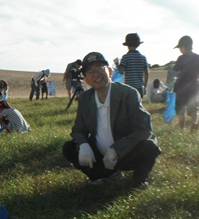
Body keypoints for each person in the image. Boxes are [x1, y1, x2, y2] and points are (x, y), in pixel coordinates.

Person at [62, 52, 161, 189]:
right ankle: (105, 175)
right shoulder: (85, 99)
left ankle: (139, 180)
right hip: (100, 156)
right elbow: (79, 129)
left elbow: (144, 129)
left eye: (99, 69)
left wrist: (116, 149)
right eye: (90, 72)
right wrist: (84, 144)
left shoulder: (128, 94)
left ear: (109, 71)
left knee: (150, 146)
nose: (96, 74)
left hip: (126, 154)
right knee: (69, 148)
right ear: (86, 80)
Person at [172, 35, 199, 130]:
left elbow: (175, 71)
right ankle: (195, 122)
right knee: (193, 108)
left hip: (181, 88)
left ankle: (182, 128)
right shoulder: (197, 57)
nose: (179, 49)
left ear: (183, 47)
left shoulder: (181, 58)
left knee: (181, 110)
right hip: (194, 87)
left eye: (179, 47)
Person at [115, 33, 149, 98]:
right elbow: (147, 73)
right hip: (140, 88)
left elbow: (121, 71)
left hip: (129, 88)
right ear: (138, 44)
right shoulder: (143, 57)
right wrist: (145, 85)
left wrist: (117, 64)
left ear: (127, 45)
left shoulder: (126, 57)